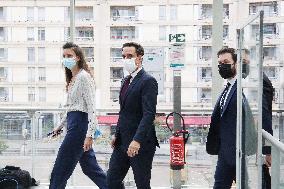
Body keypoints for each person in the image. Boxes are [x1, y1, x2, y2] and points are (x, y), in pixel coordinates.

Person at [49, 42, 107, 189]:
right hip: (74, 123)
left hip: (80, 127)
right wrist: (59, 126)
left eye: (69, 56)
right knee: (90, 168)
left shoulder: (83, 77)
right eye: (64, 56)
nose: (66, 59)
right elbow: (71, 108)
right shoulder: (73, 79)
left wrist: (90, 135)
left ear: (78, 58)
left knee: (60, 170)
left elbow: (92, 108)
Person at [106, 42, 159, 189]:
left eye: (130, 56)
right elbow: (123, 112)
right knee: (111, 181)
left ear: (140, 58)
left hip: (140, 143)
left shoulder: (148, 81)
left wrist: (137, 140)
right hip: (122, 142)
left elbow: (149, 114)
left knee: (142, 184)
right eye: (124, 56)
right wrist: (116, 134)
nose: (126, 59)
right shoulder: (125, 80)